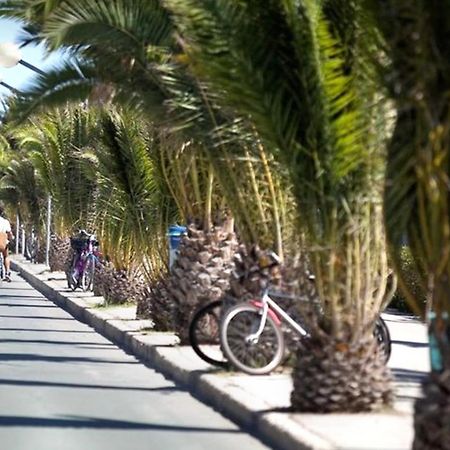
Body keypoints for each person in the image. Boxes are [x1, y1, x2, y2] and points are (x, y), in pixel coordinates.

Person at [0, 206, 13, 282]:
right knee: (6, 256)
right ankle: (7, 272)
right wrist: (11, 238)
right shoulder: (5, 222)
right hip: (2, 243)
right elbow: (9, 233)